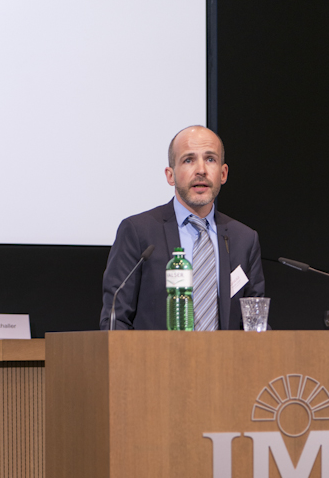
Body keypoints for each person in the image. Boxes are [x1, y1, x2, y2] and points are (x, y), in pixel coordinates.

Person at [100, 125, 265, 330]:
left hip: (224, 352)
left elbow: (254, 324)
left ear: (223, 174)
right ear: (170, 175)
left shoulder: (244, 239)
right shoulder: (138, 231)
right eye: (188, 160)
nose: (201, 170)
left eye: (210, 159)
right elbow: (116, 320)